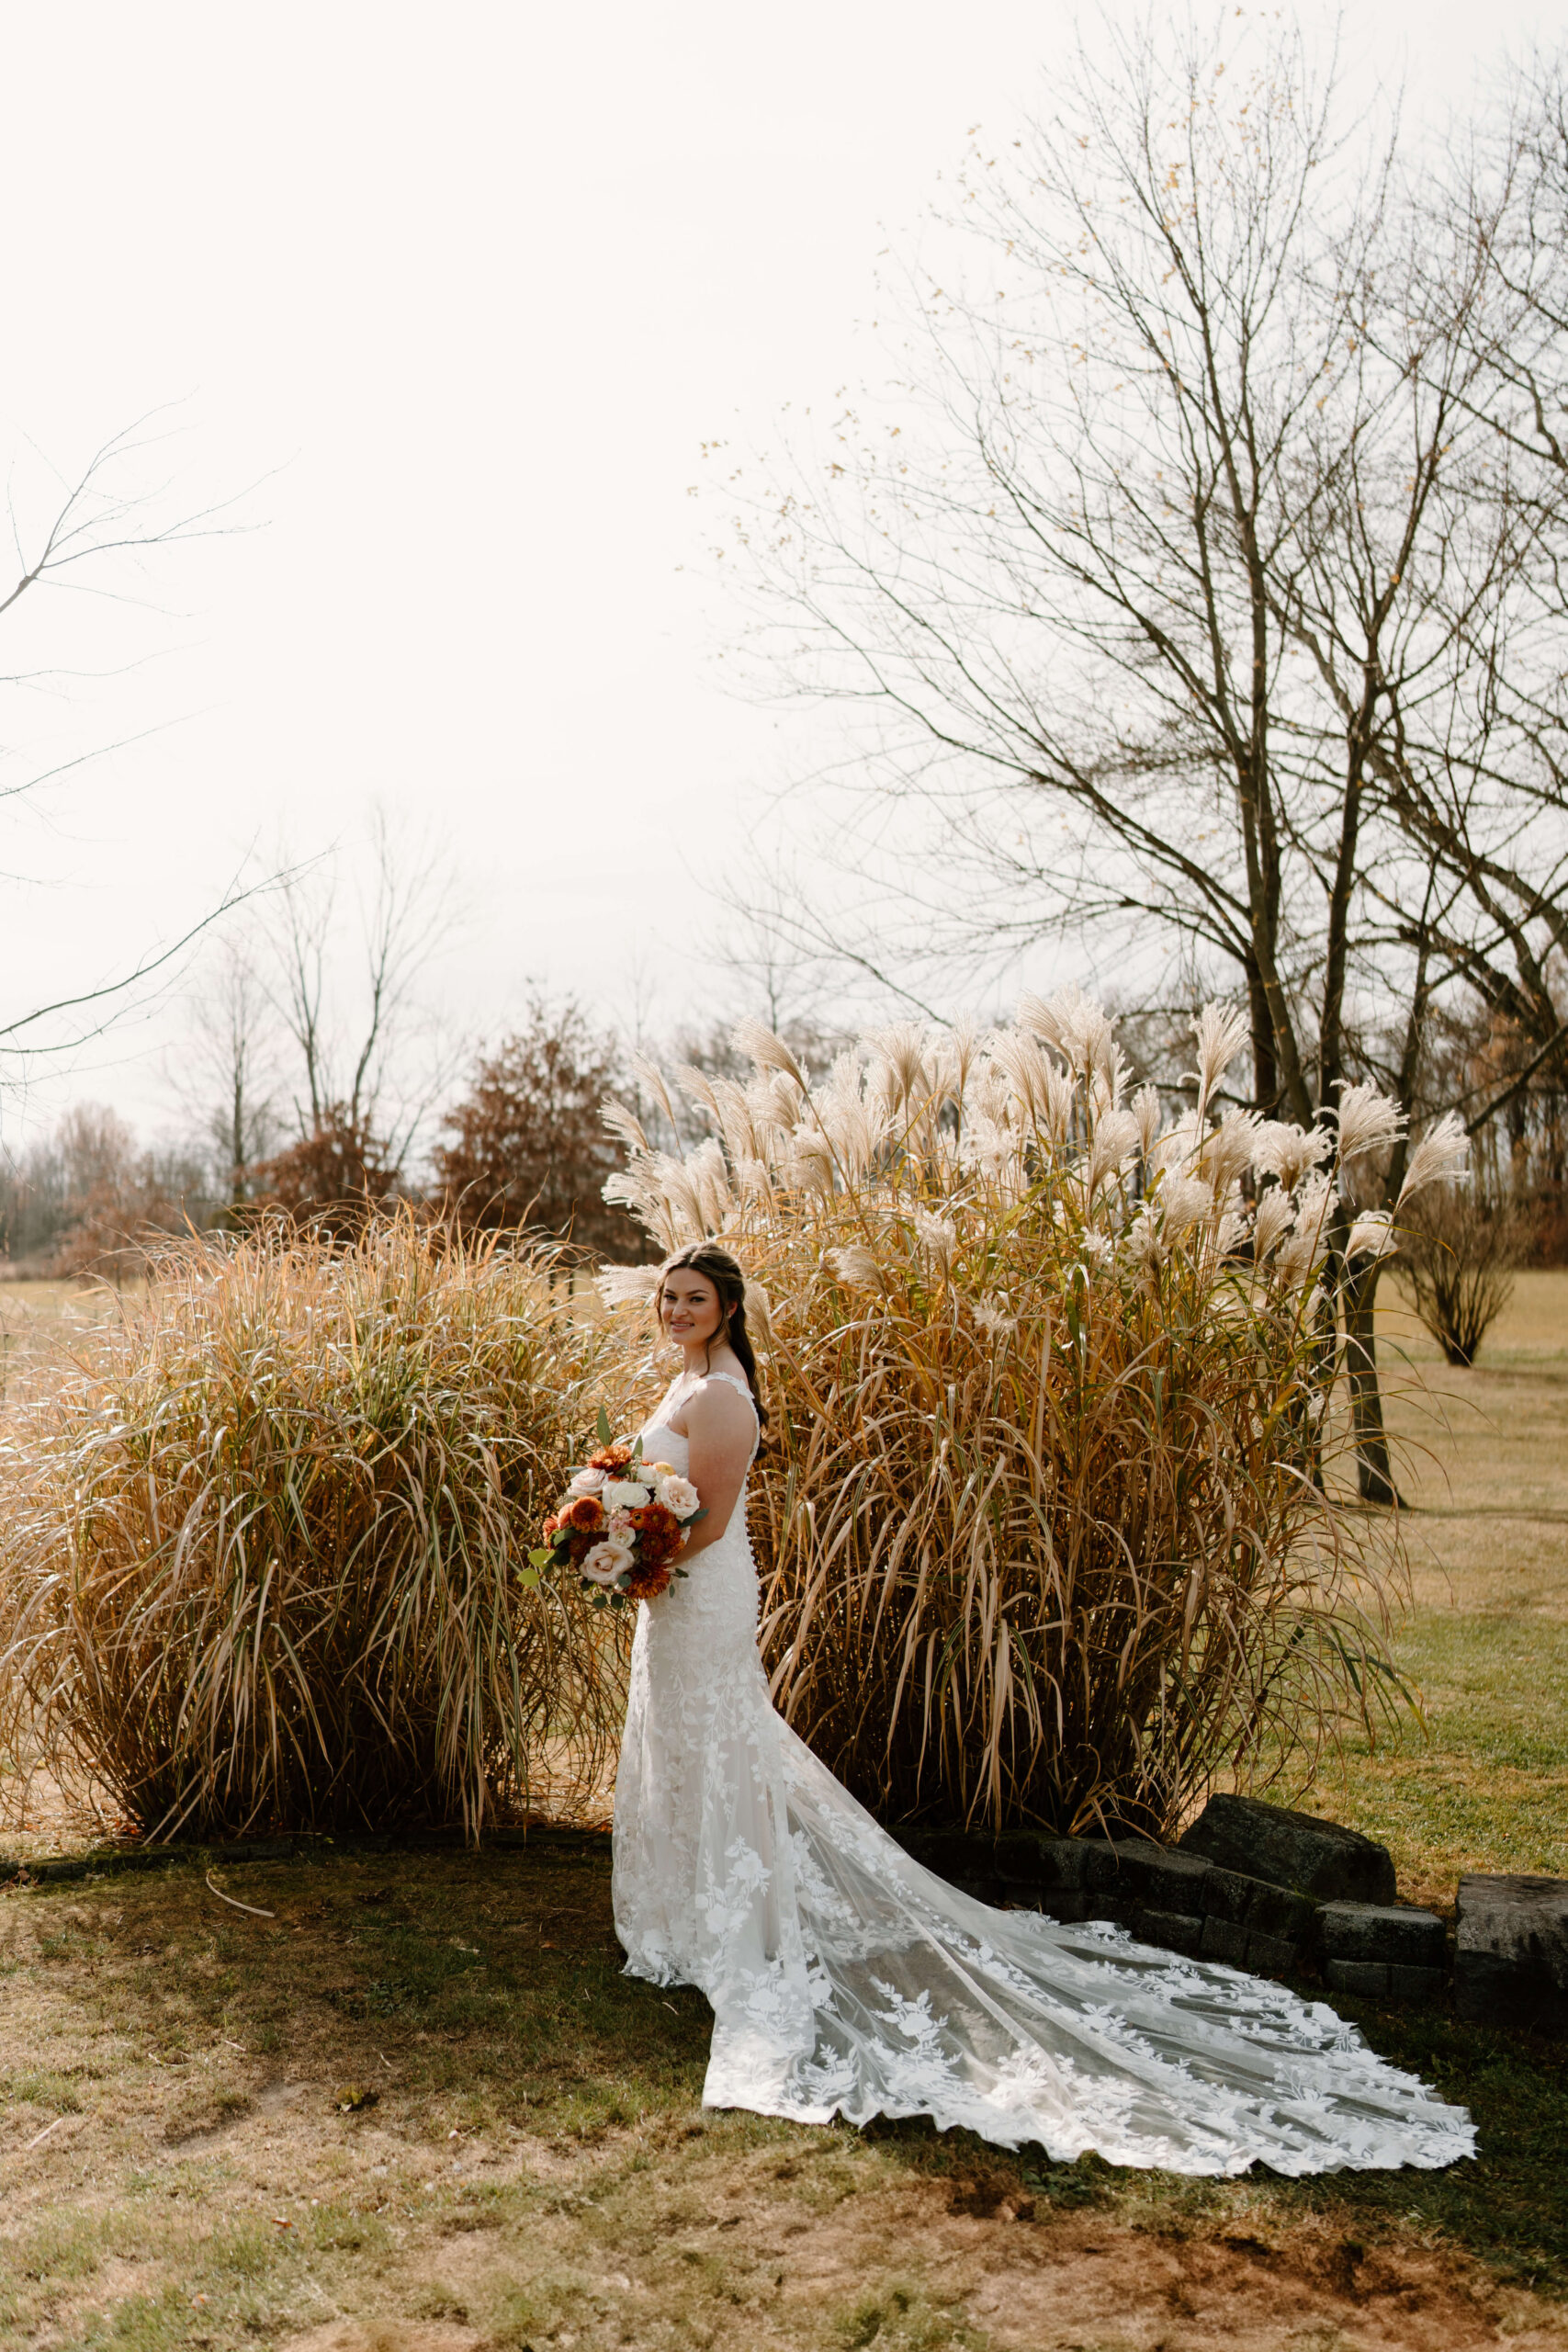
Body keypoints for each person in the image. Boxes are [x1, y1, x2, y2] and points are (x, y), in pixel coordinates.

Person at [611, 1241, 1474, 2176]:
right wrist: (620, 1534)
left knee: (723, 1740)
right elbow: (671, 1502)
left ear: (729, 1306)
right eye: (669, 1297)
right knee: (689, 1739)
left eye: (693, 1297)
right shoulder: (689, 1381)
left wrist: (633, 1557)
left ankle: (735, 1924)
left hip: (697, 1590)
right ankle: (687, 1912)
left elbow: (710, 1516)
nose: (677, 1309)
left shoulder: (725, 1396)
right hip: (673, 1597)